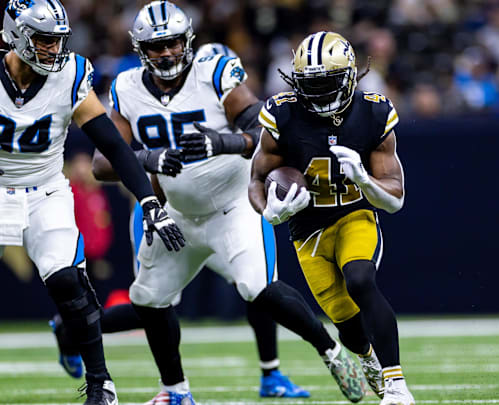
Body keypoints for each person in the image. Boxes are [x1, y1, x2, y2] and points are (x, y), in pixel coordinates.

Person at [92, 3, 366, 404]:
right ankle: (176, 392)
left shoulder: (214, 71)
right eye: (155, 46)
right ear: (140, 49)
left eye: (171, 43)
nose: (165, 53)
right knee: (148, 299)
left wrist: (220, 142)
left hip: (231, 205)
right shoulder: (127, 86)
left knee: (257, 285)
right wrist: (148, 158)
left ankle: (332, 351)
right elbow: (102, 163)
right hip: (177, 215)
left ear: (186, 42)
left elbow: (263, 130)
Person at [50, 42, 312, 398]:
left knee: (257, 287)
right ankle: (71, 329)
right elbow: (111, 161)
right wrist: (152, 164)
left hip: (222, 212)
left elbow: (258, 132)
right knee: (153, 307)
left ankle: (271, 373)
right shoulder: (149, 94)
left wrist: (229, 144)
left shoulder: (220, 94)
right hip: (164, 213)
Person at [0, 0, 185, 404]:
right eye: (44, 40)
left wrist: (149, 201)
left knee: (68, 280)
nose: (53, 49)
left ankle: (101, 384)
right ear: (16, 35)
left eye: (58, 40)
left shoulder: (69, 74)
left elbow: (114, 146)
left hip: (44, 190)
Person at [249, 31, 415, 405]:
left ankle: (397, 385)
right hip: (306, 227)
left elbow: (395, 200)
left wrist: (364, 180)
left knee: (360, 279)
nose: (320, 92)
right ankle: (368, 359)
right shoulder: (281, 112)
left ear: (350, 75)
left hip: (354, 213)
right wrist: (268, 210)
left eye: (328, 82)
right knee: (348, 327)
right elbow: (257, 178)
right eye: (312, 84)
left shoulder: (373, 112)